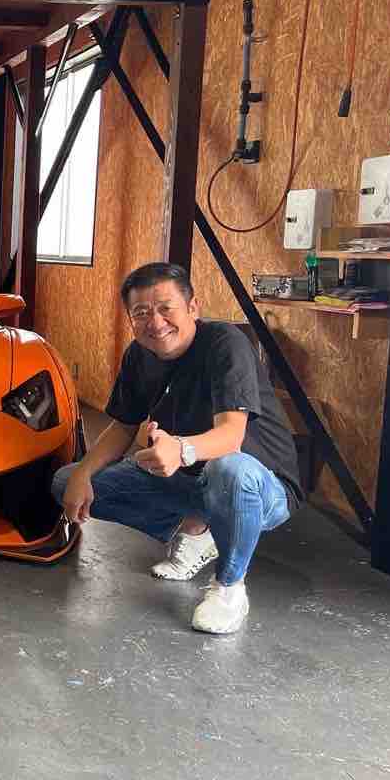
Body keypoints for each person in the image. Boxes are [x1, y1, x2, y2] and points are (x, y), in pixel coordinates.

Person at [52, 262, 302, 634]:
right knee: (66, 482)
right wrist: (84, 473)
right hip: (191, 478)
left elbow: (231, 436)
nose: (155, 322)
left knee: (228, 469)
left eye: (166, 308)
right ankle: (200, 529)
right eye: (141, 313)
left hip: (261, 485)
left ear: (193, 307)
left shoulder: (225, 344)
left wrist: (180, 449)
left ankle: (230, 588)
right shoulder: (139, 356)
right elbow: (123, 426)